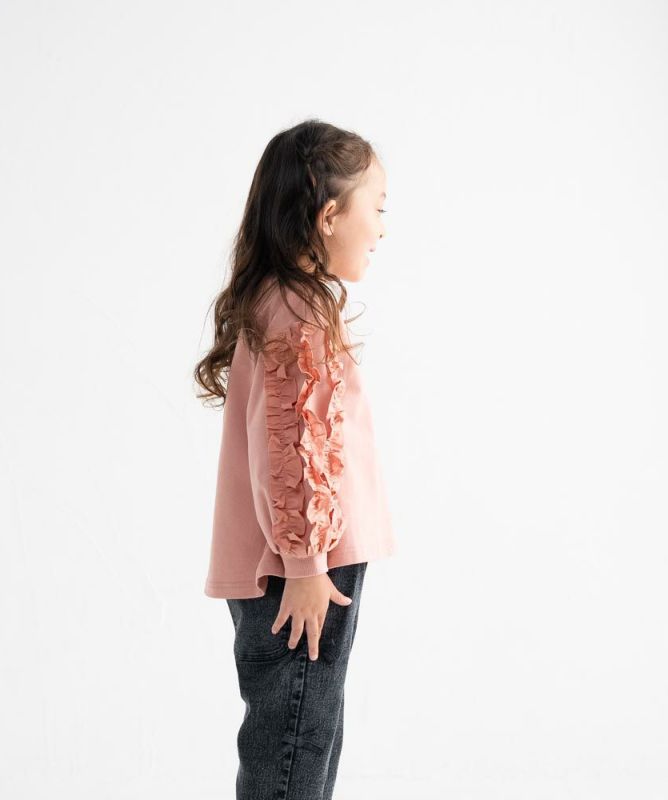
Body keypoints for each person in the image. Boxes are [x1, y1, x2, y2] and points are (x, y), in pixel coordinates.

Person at [194, 118, 396, 800]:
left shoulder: (283, 305)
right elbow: (291, 443)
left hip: (296, 566)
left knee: (302, 738)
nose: (382, 229)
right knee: (294, 751)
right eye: (377, 208)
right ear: (329, 214)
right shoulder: (298, 315)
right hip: (299, 572)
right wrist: (308, 565)